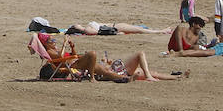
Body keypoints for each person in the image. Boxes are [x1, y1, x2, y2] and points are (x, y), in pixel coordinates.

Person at [38, 35, 186, 81]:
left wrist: (72, 47)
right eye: (51, 40)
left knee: (141, 71)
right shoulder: (51, 53)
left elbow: (70, 56)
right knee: (139, 59)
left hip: (79, 63)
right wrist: (64, 45)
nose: (54, 41)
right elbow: (62, 59)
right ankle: (129, 78)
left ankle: (175, 77)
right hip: (80, 66)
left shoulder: (56, 51)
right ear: (46, 44)